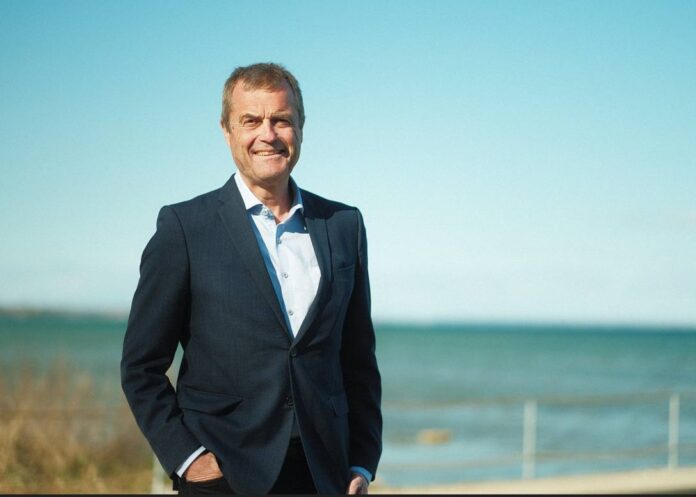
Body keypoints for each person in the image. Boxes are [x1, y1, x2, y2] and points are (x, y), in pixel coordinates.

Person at [120, 62, 382, 495]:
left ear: (300, 127)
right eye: (251, 121)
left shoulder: (344, 225)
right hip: (224, 474)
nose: (268, 134)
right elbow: (140, 367)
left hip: (326, 474)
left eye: (281, 120)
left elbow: (358, 359)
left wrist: (363, 461)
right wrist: (187, 458)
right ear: (226, 130)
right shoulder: (184, 228)